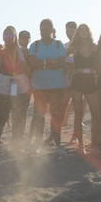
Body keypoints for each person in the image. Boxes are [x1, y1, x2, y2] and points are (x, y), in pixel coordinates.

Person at [28, 19, 68, 151]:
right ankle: (38, 144)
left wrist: (43, 64)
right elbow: (33, 63)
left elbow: (62, 62)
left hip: (56, 86)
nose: (43, 32)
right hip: (39, 87)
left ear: (52, 30)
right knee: (39, 116)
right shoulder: (35, 45)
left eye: (46, 29)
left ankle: (57, 142)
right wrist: (50, 63)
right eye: (41, 29)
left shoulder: (58, 44)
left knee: (56, 115)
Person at [0, 25, 31, 151]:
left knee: (16, 113)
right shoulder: (0, 49)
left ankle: (16, 142)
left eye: (11, 35)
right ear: (3, 37)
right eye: (6, 35)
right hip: (4, 81)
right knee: (1, 114)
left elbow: (26, 68)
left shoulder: (22, 51)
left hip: (16, 82)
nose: (8, 38)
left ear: (15, 37)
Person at [67, 24, 101, 154]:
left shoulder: (94, 47)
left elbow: (98, 64)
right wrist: (70, 68)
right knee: (78, 113)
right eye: (80, 30)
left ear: (88, 31)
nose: (83, 32)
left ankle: (94, 143)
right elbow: (64, 60)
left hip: (91, 80)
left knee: (95, 113)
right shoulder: (73, 47)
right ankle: (81, 145)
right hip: (78, 80)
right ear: (78, 33)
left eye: (85, 30)